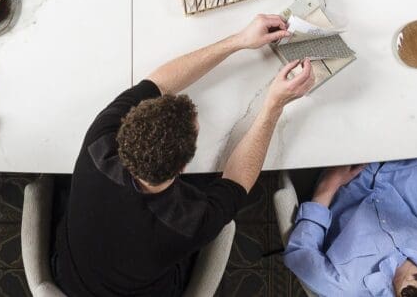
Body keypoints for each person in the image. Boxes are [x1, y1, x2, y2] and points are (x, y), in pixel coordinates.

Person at [53, 15, 318, 296]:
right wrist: (274, 104)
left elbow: (158, 83)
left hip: (69, 278)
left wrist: (239, 40)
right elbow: (238, 180)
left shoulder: (99, 142)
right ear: (182, 167)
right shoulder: (189, 221)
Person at [284, 154, 417, 296]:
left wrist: (327, 186)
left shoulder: (347, 287)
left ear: (410, 288)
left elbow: (300, 252)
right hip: (404, 159)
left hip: (341, 167)